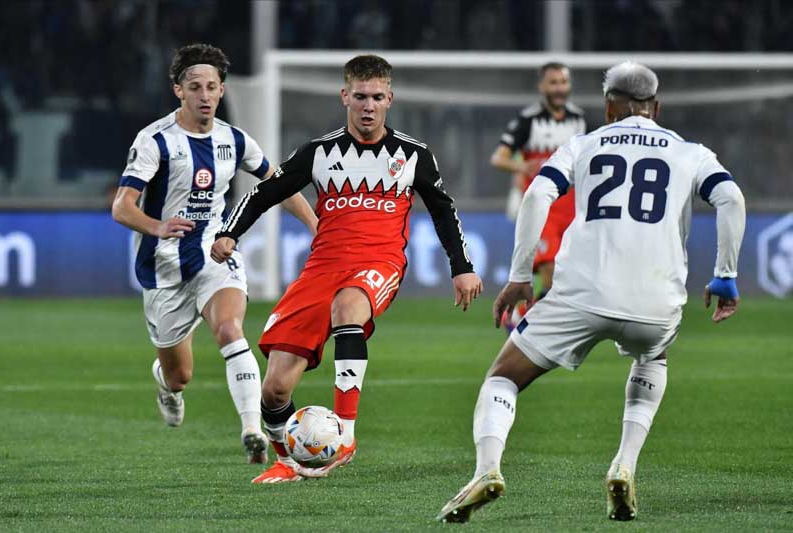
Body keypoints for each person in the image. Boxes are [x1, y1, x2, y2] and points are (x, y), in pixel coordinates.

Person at [438, 62, 745, 523]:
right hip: (655, 303)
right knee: (653, 358)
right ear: (656, 107)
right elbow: (731, 199)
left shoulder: (582, 144)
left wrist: (521, 275)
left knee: (502, 377)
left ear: (607, 107)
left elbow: (537, 195)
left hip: (579, 296)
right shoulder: (690, 152)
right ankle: (623, 465)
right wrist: (725, 274)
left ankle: (487, 470)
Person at [211, 54, 484, 484]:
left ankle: (346, 437)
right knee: (275, 389)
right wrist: (230, 232)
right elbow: (265, 193)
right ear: (345, 97)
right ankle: (290, 460)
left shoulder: (412, 155)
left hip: (379, 262)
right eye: (360, 96)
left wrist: (462, 266)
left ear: (390, 98)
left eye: (377, 97)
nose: (368, 105)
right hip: (321, 268)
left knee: (347, 310)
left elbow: (444, 213)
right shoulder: (318, 153)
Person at [111, 44, 318, 464]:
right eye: (194, 87)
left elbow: (277, 184)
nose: (204, 95)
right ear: (178, 91)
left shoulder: (235, 139)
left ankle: (251, 431)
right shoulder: (155, 140)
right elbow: (121, 206)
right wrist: (157, 226)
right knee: (179, 374)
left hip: (214, 254)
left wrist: (318, 227)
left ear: (221, 90)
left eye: (211, 87)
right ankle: (165, 383)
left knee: (229, 329)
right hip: (163, 266)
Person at [490, 62, 586, 305]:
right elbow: (498, 158)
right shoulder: (528, 120)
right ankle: (526, 331)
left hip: (572, 212)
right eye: (553, 82)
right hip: (544, 213)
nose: (559, 88)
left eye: (563, 82)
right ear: (542, 86)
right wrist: (521, 167)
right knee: (551, 278)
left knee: (568, 284)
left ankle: (521, 320)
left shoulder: (579, 119)